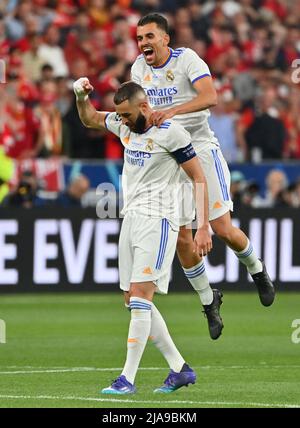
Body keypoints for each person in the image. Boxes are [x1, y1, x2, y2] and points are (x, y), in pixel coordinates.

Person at [131, 13, 275, 340]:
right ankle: (209, 301)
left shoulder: (187, 60)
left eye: (149, 37)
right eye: (139, 39)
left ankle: (257, 269)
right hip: (170, 154)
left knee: (222, 229)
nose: (143, 44)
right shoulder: (138, 70)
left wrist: (172, 112)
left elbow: (210, 97)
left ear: (166, 38)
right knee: (183, 237)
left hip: (200, 148)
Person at [74, 78, 212, 394]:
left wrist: (201, 225)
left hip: (159, 220)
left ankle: (127, 379)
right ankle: (179, 369)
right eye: (119, 116)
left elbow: (198, 177)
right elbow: (90, 118)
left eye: (125, 115)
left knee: (140, 297)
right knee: (132, 299)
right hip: (131, 218)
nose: (120, 120)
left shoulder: (171, 133)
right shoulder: (127, 127)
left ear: (144, 107)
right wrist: (80, 97)